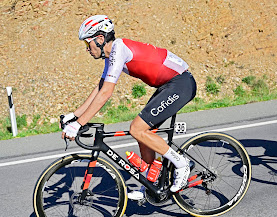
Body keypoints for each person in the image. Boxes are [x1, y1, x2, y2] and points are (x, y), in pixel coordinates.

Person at [61, 15, 197, 200]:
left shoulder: (119, 49)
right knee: (143, 132)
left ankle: (182, 164)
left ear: (100, 39)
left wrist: (79, 124)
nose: (87, 49)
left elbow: (106, 93)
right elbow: (100, 87)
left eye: (87, 44)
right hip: (168, 85)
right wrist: (74, 116)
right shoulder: (111, 55)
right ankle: (152, 181)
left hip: (180, 83)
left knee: (137, 128)